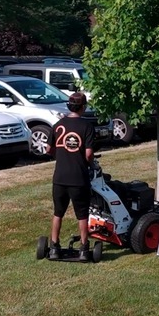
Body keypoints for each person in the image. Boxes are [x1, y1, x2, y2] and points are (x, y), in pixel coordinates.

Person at [48, 91, 95, 258]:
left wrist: (60, 155)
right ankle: (83, 248)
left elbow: (48, 149)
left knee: (58, 212)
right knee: (82, 214)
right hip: (78, 178)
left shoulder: (58, 125)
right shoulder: (86, 126)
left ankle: (54, 246)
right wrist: (92, 165)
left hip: (59, 178)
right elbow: (88, 154)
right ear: (83, 107)